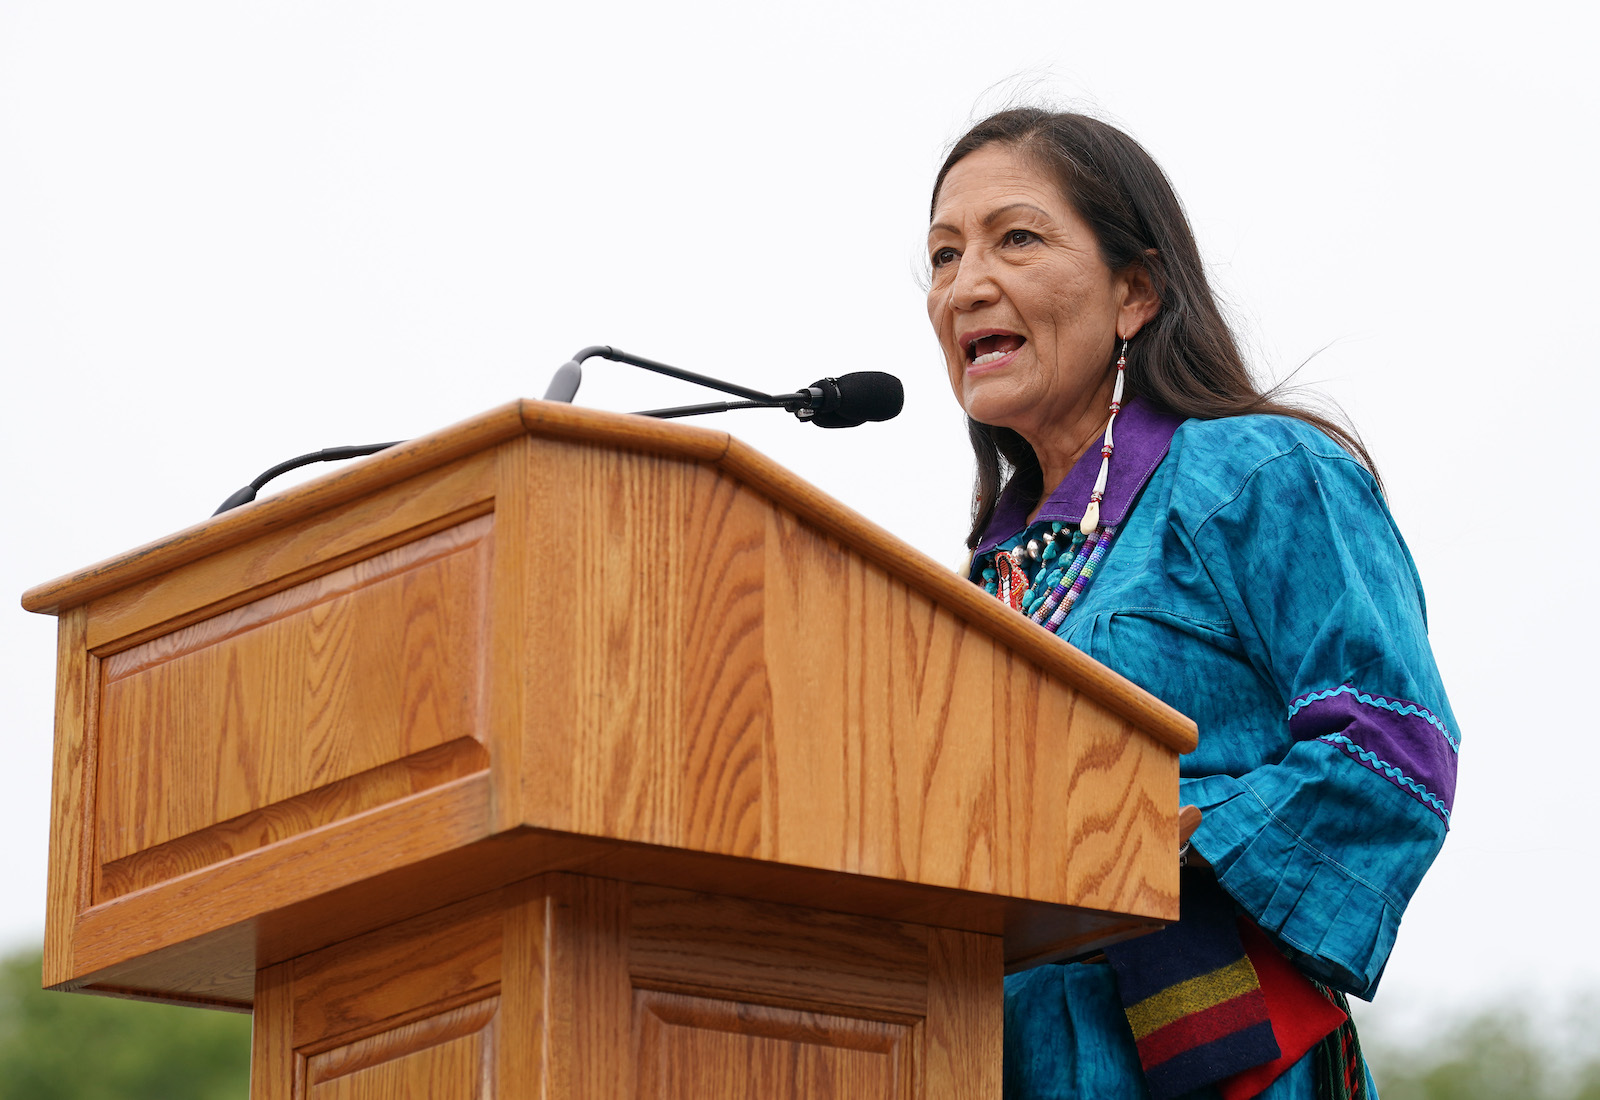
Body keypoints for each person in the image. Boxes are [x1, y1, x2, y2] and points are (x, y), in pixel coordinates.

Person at [927, 108, 1456, 1100]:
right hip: (982, 1052)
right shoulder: (987, 575)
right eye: (944, 255)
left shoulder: (1256, 473)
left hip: (1200, 1063)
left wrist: (1146, 839)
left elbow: (1394, 752)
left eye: (1016, 237)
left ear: (1135, 291)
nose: (965, 285)